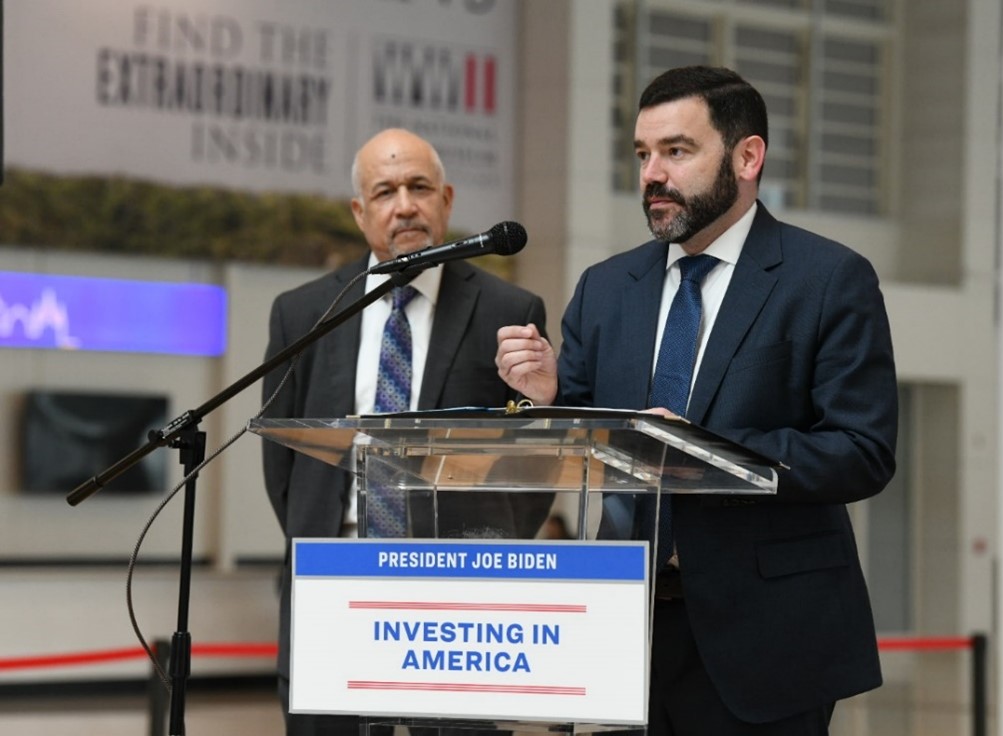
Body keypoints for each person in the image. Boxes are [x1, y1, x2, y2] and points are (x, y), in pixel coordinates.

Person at [495, 66, 898, 735]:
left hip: (766, 640)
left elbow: (861, 453)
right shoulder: (607, 287)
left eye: (677, 151)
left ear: (747, 157)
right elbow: (590, 445)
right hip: (625, 634)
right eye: (642, 154)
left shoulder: (827, 279)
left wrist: (700, 450)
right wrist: (548, 398)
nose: (653, 173)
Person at [262, 128, 550, 736]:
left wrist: (483, 553)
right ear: (360, 212)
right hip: (332, 580)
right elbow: (283, 464)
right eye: (385, 191)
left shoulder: (508, 311)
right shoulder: (304, 311)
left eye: (420, 187)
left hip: (457, 597)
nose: (405, 205)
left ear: (446, 200)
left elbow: (534, 466)